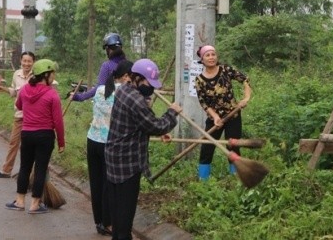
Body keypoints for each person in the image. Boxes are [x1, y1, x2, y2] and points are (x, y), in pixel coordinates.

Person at [105, 58, 181, 240]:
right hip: (127, 164)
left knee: (118, 212)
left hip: (115, 157)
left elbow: (140, 123)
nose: (151, 87)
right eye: (148, 83)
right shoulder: (135, 100)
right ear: (137, 78)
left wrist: (154, 129)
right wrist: (172, 112)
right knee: (125, 215)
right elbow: (154, 126)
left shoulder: (124, 90)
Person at [71, 60, 133, 237]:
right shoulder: (125, 92)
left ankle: (99, 221)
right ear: (126, 76)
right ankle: (108, 223)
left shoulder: (100, 90)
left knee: (96, 183)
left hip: (93, 140)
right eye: (132, 76)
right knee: (108, 186)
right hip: (110, 144)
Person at [5, 59, 65, 214]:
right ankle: (35, 204)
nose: (54, 76)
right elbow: (58, 121)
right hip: (45, 136)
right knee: (40, 169)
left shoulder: (24, 90)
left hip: (27, 134)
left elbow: (19, 105)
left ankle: (19, 201)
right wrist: (61, 142)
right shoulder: (52, 94)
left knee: (24, 167)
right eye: (52, 73)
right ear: (46, 75)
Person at [194, 45, 252, 180]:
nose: (211, 57)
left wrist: (246, 98)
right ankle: (203, 181)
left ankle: (234, 178)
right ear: (202, 59)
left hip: (233, 116)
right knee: (207, 148)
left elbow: (245, 79)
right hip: (215, 120)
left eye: (213, 54)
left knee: (233, 147)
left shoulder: (226, 70)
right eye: (207, 55)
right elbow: (204, 103)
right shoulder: (199, 80)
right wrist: (215, 117)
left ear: (217, 56)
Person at [0, 51, 36, 178]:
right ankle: (6, 170)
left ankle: (27, 173)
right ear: (20, 61)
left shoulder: (36, 76)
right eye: (24, 61)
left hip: (32, 116)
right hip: (19, 114)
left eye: (29, 61)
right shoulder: (16, 74)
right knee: (13, 142)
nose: (26, 64)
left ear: (33, 62)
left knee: (28, 146)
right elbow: (15, 91)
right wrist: (3, 89)